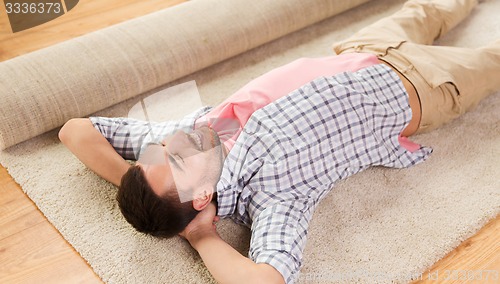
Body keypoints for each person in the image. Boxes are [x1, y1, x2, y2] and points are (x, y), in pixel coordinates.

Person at [59, 0, 500, 283]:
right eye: (175, 160)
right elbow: (266, 280)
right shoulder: (272, 193)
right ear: (202, 197)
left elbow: (74, 131)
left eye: (156, 153)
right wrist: (200, 236)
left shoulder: (183, 136)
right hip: (421, 87)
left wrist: (132, 179)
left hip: (361, 50)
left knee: (433, 7)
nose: (174, 140)